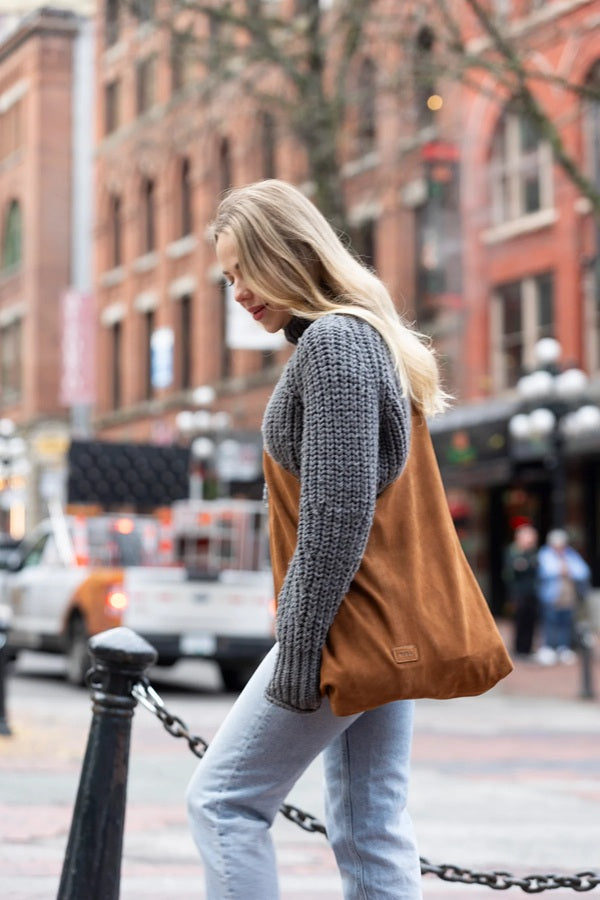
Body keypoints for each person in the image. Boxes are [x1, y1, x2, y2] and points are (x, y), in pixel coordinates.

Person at [186, 179, 451, 900]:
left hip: (341, 624)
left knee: (221, 803)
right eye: (227, 277)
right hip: (377, 616)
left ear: (288, 253)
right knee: (372, 825)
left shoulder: (334, 344)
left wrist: (300, 649)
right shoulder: (361, 339)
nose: (237, 292)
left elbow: (338, 514)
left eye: (245, 270)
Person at [535, 528, 590, 665]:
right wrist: (563, 569)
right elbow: (546, 571)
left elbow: (583, 572)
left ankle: (563, 648)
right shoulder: (545, 554)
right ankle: (549, 648)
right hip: (551, 597)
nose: (559, 548)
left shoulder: (571, 554)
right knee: (550, 623)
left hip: (568, 598)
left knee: (565, 624)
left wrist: (566, 569)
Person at [503, 523, 539, 658]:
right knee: (519, 621)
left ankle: (528, 649)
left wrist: (525, 565)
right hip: (518, 594)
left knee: (531, 621)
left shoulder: (533, 552)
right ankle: (519, 650)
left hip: (532, 593)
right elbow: (515, 568)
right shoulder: (512, 551)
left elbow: (530, 567)